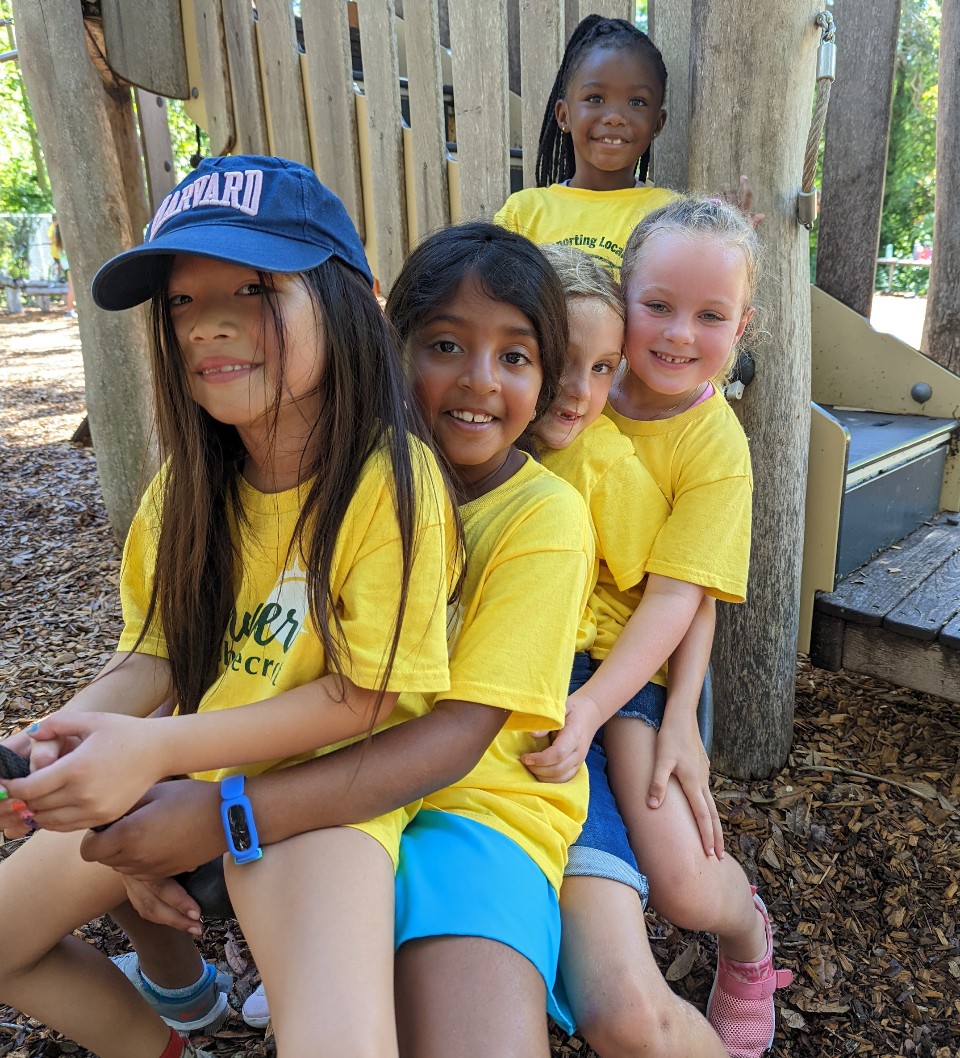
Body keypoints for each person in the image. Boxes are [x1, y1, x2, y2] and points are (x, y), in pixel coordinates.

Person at [14, 221, 596, 1058]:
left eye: (516, 356)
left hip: (466, 805)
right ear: (387, 341)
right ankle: (181, 1003)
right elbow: (174, 659)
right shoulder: (258, 473)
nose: (477, 381)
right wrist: (76, 758)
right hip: (307, 778)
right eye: (442, 344)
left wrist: (213, 811)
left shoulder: (520, 515)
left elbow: (443, 738)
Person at [0, 155, 454, 1058]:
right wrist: (54, 745)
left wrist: (154, 751)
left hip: (323, 795)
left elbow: (363, 700)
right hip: (184, 773)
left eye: (252, 287)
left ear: (353, 299)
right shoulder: (185, 491)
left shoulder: (391, 485)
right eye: (179, 300)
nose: (209, 322)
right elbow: (155, 657)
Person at [528, 201, 793, 1058]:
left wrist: (672, 715)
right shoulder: (577, 386)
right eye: (660, 307)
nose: (680, 334)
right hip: (541, 651)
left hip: (628, 666)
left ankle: (749, 940)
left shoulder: (713, 446)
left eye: (710, 316)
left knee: (681, 883)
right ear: (623, 296)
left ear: (742, 326)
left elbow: (684, 595)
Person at [494, 14, 761, 277]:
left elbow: (699, 292)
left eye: (637, 102)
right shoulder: (522, 214)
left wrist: (729, 243)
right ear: (564, 115)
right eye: (595, 98)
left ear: (657, 123)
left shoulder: (672, 214)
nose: (614, 117)